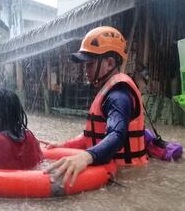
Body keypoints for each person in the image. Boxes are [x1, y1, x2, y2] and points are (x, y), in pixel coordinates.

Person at [44, 26, 147, 187]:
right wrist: (63, 146)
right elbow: (92, 135)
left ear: (110, 63)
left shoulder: (118, 96)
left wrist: (86, 157)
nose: (86, 70)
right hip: (113, 170)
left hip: (126, 177)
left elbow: (117, 135)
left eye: (90, 64)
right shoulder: (108, 91)